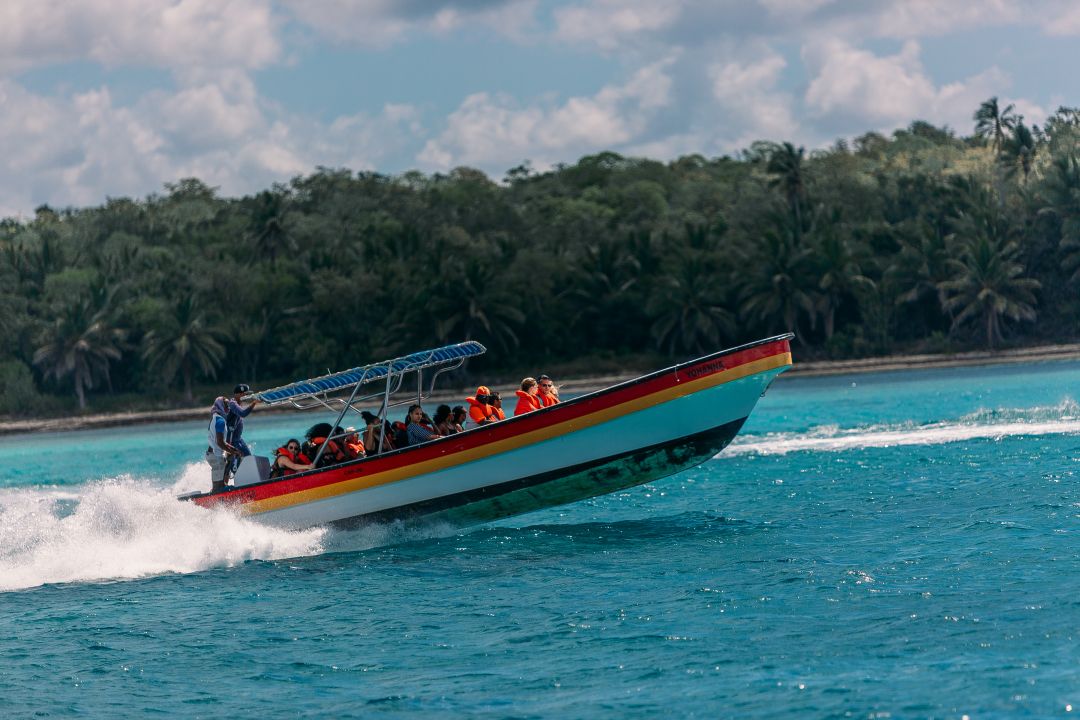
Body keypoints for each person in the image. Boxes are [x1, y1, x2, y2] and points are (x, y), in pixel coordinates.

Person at [205, 396, 240, 492]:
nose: (228, 408)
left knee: (220, 484)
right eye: (226, 405)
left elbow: (220, 442)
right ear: (220, 406)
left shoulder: (215, 417)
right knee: (218, 488)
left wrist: (232, 449)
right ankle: (215, 501)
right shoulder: (220, 421)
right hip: (215, 456)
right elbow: (219, 442)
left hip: (213, 454)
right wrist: (231, 451)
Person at [227, 383, 260, 458]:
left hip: (238, 438)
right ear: (238, 394)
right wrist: (254, 403)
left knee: (248, 457)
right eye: (244, 394)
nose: (245, 396)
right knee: (237, 460)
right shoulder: (232, 404)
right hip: (232, 439)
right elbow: (243, 414)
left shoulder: (238, 404)